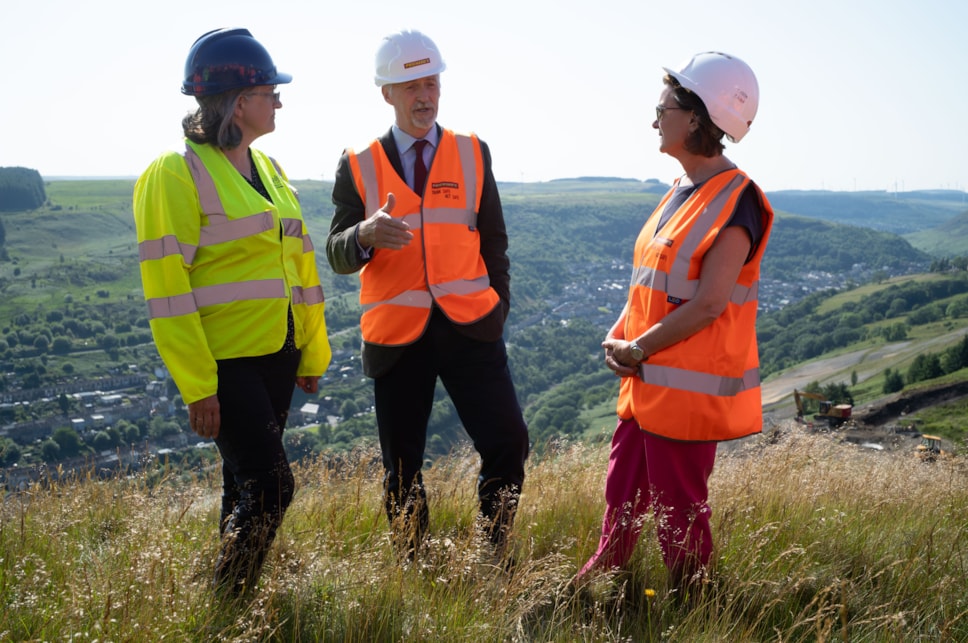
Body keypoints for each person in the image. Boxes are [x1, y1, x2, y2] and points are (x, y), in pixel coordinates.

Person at [133, 28, 331, 596]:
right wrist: (198, 385)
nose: (279, 102)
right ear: (240, 102)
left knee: (241, 488)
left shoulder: (269, 169)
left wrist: (310, 352)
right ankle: (225, 599)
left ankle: (231, 604)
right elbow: (167, 289)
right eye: (271, 92)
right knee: (272, 488)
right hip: (226, 363)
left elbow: (299, 270)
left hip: (278, 353)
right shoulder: (177, 172)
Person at [576, 52, 774, 600]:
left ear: (695, 117)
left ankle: (696, 611)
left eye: (662, 109)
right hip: (644, 384)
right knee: (621, 499)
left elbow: (709, 303)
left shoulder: (737, 201)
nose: (654, 120)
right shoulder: (681, 189)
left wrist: (637, 348)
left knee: (679, 518)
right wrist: (621, 334)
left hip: (684, 393)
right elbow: (652, 284)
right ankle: (594, 591)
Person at [326, 29, 529, 561]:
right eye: (411, 85)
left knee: (509, 442)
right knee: (402, 467)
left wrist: (498, 307)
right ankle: (414, 567)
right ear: (387, 93)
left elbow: (494, 241)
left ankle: (493, 550)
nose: (425, 96)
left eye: (432, 83)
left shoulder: (472, 152)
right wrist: (364, 234)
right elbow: (337, 253)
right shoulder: (358, 162)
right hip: (397, 338)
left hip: (472, 327)